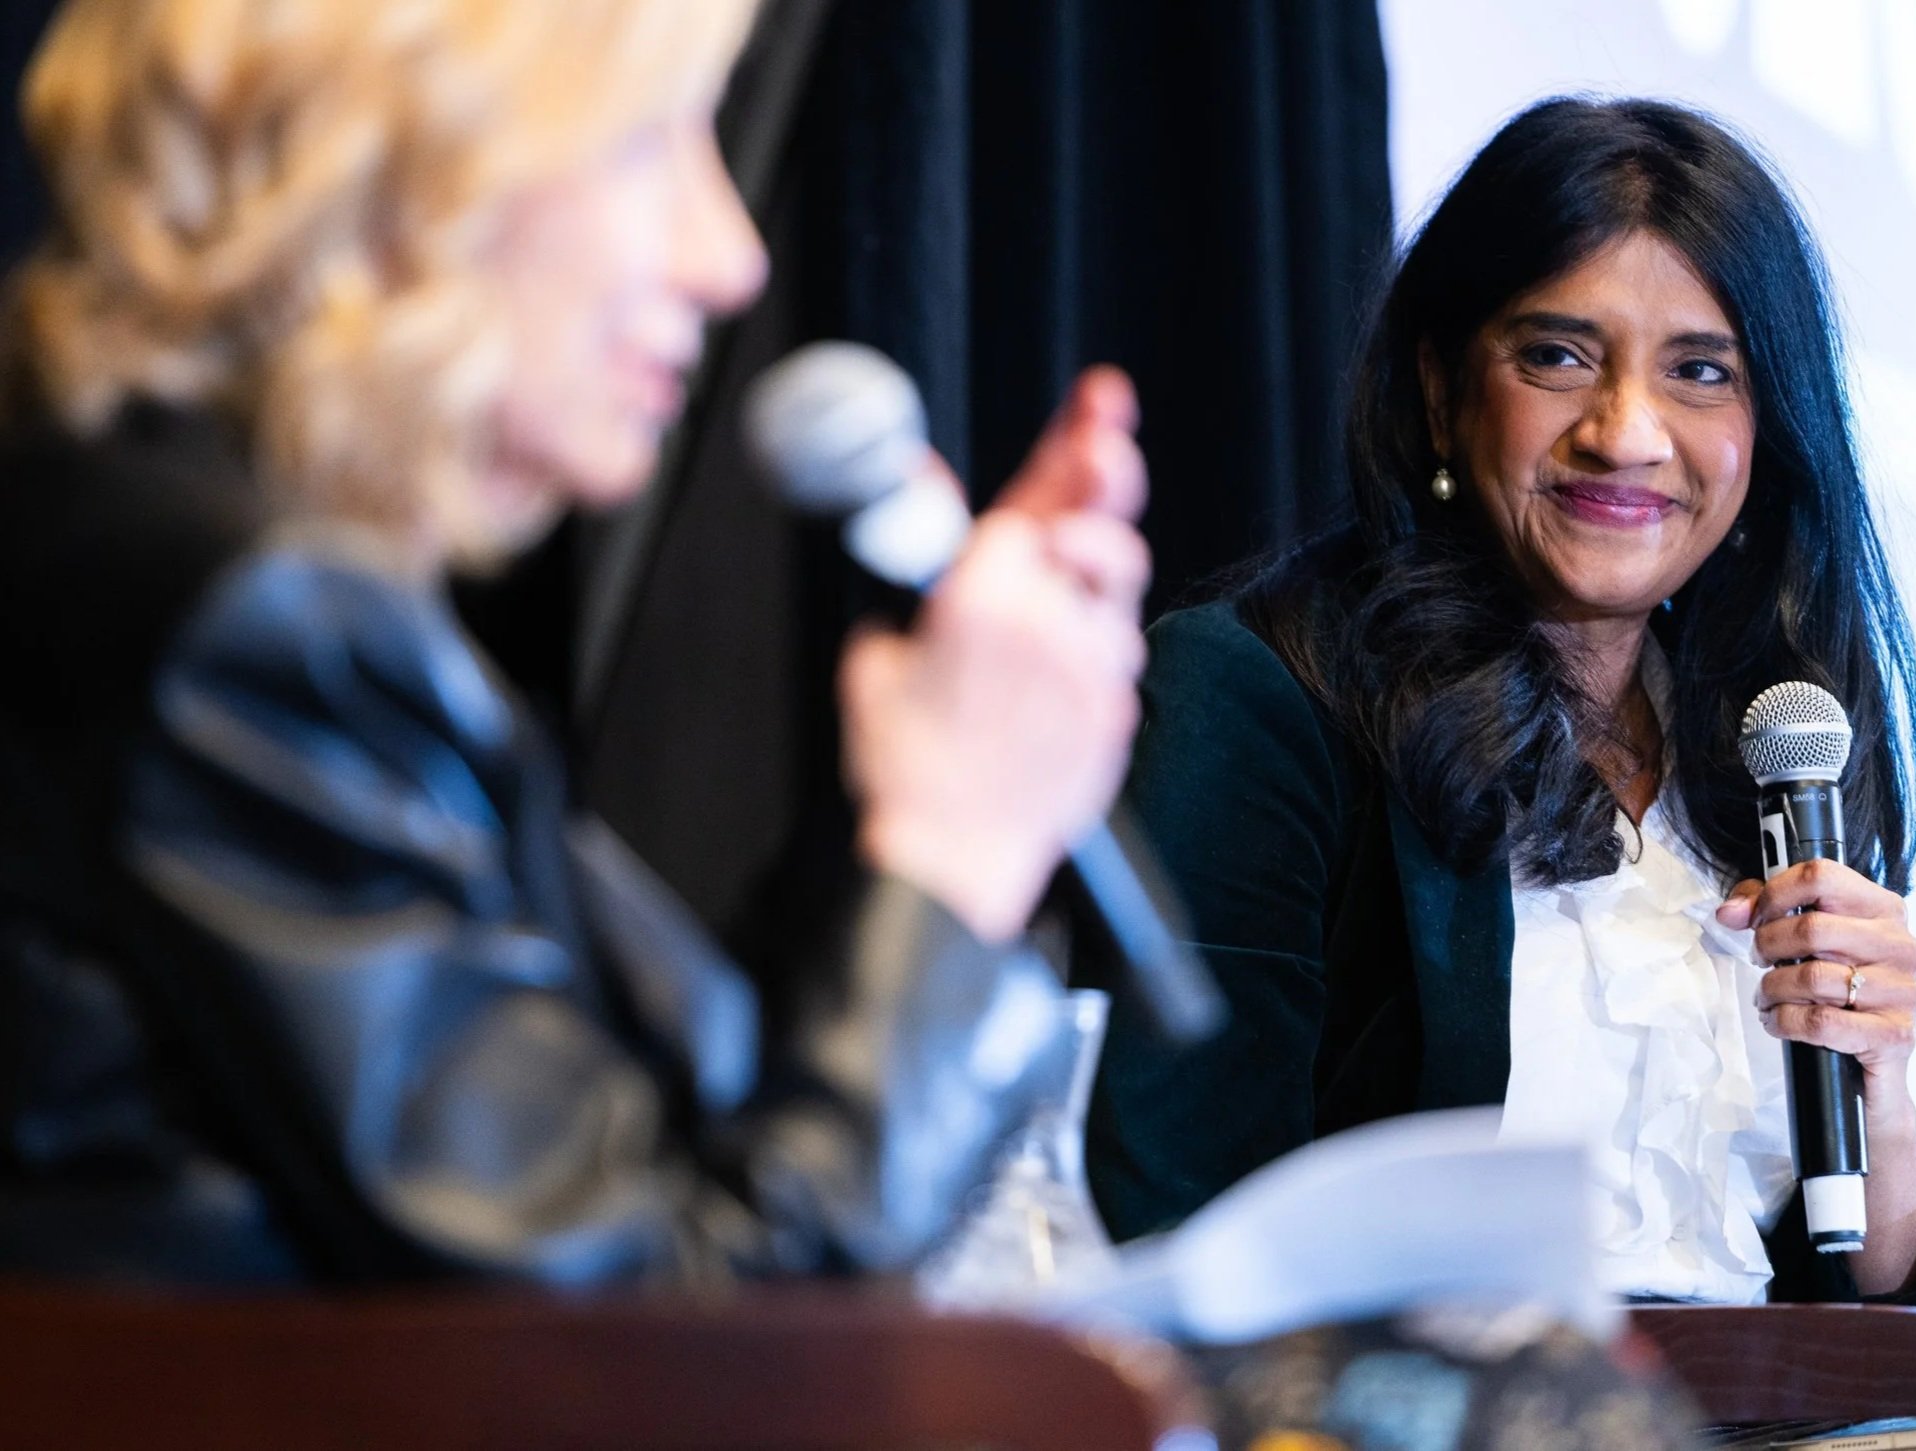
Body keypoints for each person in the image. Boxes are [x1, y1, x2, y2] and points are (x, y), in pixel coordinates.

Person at [0, 0, 1152, 1284]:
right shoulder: (253, 620)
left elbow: (632, 1141)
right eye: (652, 142)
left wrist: (919, 795)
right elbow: (663, 1359)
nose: (732, 259)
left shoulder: (182, 562)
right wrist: (957, 852)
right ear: (399, 157)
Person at [1083, 97, 1916, 1308]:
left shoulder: (1761, 752)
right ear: (1441, 387)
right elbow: (1177, 1239)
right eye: (1556, 356)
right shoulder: (1253, 699)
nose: (1626, 433)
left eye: (1700, 372)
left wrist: (1881, 1087)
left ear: (1768, 428)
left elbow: (1873, 1302)